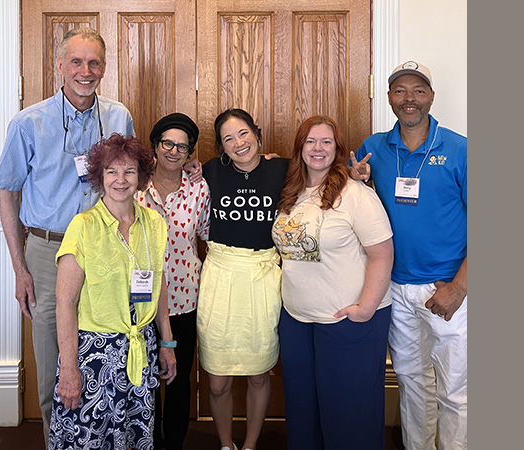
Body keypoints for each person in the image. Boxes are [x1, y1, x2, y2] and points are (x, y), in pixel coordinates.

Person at [0, 28, 135, 444]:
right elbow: (7, 195)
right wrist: (19, 269)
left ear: (104, 68)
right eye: (76, 62)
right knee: (56, 360)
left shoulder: (118, 116)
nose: (85, 71)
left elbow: (130, 177)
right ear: (59, 66)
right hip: (47, 251)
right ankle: (60, 440)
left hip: (105, 250)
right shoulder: (28, 123)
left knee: (105, 351)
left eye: (94, 63)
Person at [351, 61, 467, 450]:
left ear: (431, 96)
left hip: (447, 287)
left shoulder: (459, 149)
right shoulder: (373, 148)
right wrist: (355, 182)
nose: (409, 99)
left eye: (418, 90)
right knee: (412, 383)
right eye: (400, 91)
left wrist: (460, 287)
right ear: (388, 98)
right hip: (396, 288)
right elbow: (338, 189)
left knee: (454, 391)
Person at [272, 115, 394, 450]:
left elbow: (382, 254)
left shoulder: (355, 195)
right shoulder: (291, 193)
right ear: (300, 148)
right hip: (297, 320)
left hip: (347, 320)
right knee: (303, 412)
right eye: (310, 141)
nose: (318, 148)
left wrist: (365, 308)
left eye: (326, 141)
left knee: (349, 414)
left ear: (338, 149)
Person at [48, 133, 177, 450]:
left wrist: (167, 342)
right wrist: (68, 370)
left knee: (133, 437)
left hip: (140, 350)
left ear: (141, 176)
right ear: (99, 176)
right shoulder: (84, 226)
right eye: (112, 172)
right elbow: (65, 302)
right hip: (94, 355)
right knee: (89, 439)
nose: (121, 180)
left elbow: (158, 287)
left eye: (129, 171)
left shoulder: (154, 224)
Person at [197, 108, 289, 450]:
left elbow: (323, 181)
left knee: (258, 372)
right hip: (220, 276)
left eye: (243, 134)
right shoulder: (209, 171)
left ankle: (249, 444)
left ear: (257, 134)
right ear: (221, 147)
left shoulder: (282, 168)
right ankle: (225, 444)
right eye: (228, 139)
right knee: (217, 379)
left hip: (262, 277)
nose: (238, 143)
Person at [136, 113, 211, 450]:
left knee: (178, 380)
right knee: (143, 378)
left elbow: (209, 235)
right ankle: (147, 441)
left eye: (182, 146)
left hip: (184, 297)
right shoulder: (133, 183)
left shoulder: (198, 187)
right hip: (138, 300)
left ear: (189, 152)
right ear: (155, 145)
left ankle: (174, 443)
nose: (174, 151)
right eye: (168, 143)